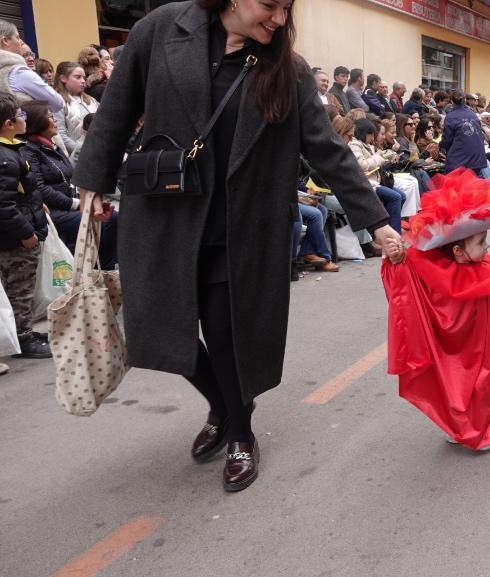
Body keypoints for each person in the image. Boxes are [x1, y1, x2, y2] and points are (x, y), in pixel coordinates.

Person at [71, 0, 403, 493]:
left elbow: (324, 147)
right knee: (163, 325)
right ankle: (224, 407)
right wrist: (92, 182)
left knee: (227, 332)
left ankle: (241, 434)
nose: (279, 19)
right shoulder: (161, 30)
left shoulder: (284, 69)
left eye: (287, 8)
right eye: (270, 5)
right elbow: (118, 107)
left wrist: (375, 220)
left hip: (244, 221)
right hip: (167, 213)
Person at [381, 169, 490, 451]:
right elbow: (406, 276)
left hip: (483, 345)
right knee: (455, 387)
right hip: (454, 351)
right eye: (480, 242)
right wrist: (397, 257)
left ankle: (481, 431)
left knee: (482, 384)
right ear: (458, 252)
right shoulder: (436, 273)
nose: (488, 246)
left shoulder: (488, 266)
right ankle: (460, 426)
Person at [21, 101, 118, 270]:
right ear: (37, 122)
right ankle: (100, 271)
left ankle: (103, 270)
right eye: (50, 117)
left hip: (69, 203)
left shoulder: (52, 147)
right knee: (107, 220)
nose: (55, 120)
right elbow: (40, 188)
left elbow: (72, 178)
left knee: (112, 215)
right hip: (51, 210)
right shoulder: (29, 151)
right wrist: (76, 204)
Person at [0, 92, 51, 359]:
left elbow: (19, 191)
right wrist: (26, 232)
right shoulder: (6, 158)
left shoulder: (12, 150)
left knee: (21, 285)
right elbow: (4, 205)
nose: (24, 118)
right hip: (15, 239)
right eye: (20, 115)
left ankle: (26, 330)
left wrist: (35, 203)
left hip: (18, 228)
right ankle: (23, 338)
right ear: (9, 124)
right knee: (20, 286)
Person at [0, 20, 64, 113]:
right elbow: (57, 103)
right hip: (27, 126)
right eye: (17, 37)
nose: (20, 42)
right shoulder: (17, 72)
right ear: (5, 40)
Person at [52, 61, 98, 158]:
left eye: (84, 78)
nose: (83, 81)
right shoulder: (58, 102)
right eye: (78, 77)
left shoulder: (91, 100)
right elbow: (60, 134)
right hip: (76, 156)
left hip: (97, 150)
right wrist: (82, 151)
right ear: (63, 78)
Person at [439, 90, 488, 177]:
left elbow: (447, 140)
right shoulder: (472, 114)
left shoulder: (451, 116)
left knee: (456, 184)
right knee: (473, 184)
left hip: (461, 158)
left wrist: (440, 145)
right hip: (478, 156)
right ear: (465, 100)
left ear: (451, 101)